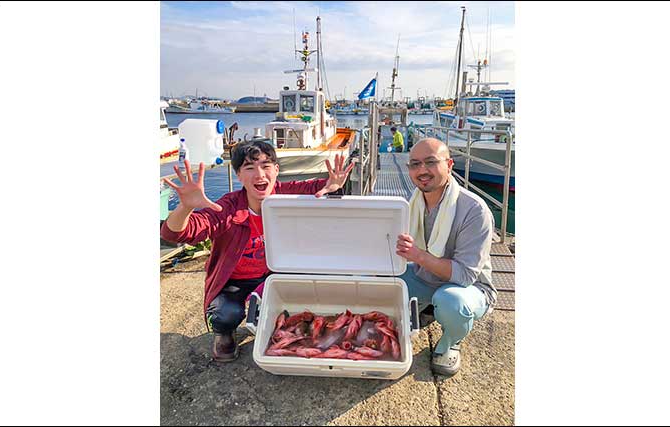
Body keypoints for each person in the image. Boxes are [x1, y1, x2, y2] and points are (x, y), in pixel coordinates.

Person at [161, 140, 354, 364]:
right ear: (239, 176)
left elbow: (315, 188)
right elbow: (177, 233)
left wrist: (333, 184)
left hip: (272, 275)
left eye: (266, 166)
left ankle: (273, 319)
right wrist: (185, 207)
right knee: (226, 316)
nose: (259, 174)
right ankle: (225, 332)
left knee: (310, 304)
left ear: (276, 170)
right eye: (250, 168)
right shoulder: (228, 208)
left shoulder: (284, 194)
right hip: (234, 281)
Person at [395, 138, 496, 376]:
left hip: (470, 287)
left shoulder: (474, 210)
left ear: (449, 164)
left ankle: (451, 341)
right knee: (377, 284)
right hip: (426, 277)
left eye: (431, 162)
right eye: (415, 164)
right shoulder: (413, 203)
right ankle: (426, 308)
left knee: (452, 303)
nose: (422, 170)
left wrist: (418, 255)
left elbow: (464, 275)